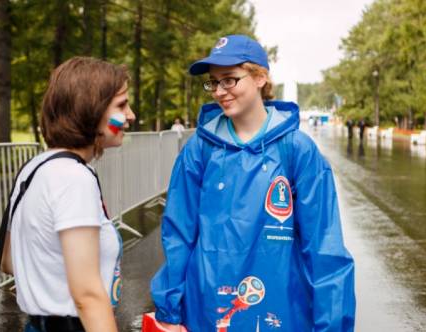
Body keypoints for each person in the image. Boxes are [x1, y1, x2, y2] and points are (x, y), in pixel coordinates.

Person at [151, 35, 355, 331]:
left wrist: (332, 326)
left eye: (230, 80)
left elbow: (325, 249)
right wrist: (169, 311)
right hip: (207, 314)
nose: (219, 91)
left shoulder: (297, 150)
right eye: (213, 82)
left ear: (260, 77)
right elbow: (179, 234)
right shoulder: (199, 150)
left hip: (281, 315)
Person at [1, 56, 135, 332]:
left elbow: (9, 261)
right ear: (91, 111)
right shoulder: (74, 179)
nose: (131, 115)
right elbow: (87, 297)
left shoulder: (36, 167)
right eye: (121, 105)